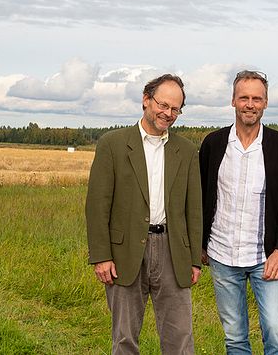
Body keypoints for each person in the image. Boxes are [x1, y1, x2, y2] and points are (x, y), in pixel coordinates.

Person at [85, 74, 203, 354]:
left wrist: (194, 259)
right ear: (146, 100)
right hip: (124, 252)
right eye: (163, 105)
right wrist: (101, 256)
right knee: (124, 339)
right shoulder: (112, 144)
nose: (168, 113)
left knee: (181, 339)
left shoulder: (186, 151)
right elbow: (97, 204)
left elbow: (193, 208)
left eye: (175, 109)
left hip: (173, 252)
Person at [200, 70, 278, 354]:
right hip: (222, 255)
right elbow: (202, 197)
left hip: (265, 257)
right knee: (235, 337)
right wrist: (201, 244)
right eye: (244, 97)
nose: (250, 104)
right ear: (233, 100)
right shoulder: (214, 144)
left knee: (275, 330)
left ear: (266, 103)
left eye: (257, 98)